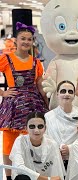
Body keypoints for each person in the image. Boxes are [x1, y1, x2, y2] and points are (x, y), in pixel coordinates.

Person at [0, 22, 48, 180]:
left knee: (32, 142)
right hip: (12, 107)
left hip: (32, 105)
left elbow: (40, 85)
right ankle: (8, 177)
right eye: (23, 39)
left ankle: (30, 175)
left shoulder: (36, 62)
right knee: (8, 145)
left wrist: (47, 105)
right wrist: (2, 92)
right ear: (16, 41)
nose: (26, 42)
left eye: (29, 39)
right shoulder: (6, 59)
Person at [9, 112, 65, 180]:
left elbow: (58, 174)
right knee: (22, 178)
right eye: (32, 126)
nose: (36, 130)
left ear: (45, 128)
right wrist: (47, 179)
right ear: (26, 128)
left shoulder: (52, 145)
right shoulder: (20, 141)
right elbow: (19, 167)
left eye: (40, 126)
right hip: (36, 179)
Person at [45, 80, 78, 168]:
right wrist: (55, 150)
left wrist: (70, 149)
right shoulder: (48, 116)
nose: (66, 94)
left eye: (70, 92)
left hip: (75, 160)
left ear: (74, 95)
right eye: (63, 91)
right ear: (57, 94)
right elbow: (45, 138)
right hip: (53, 160)